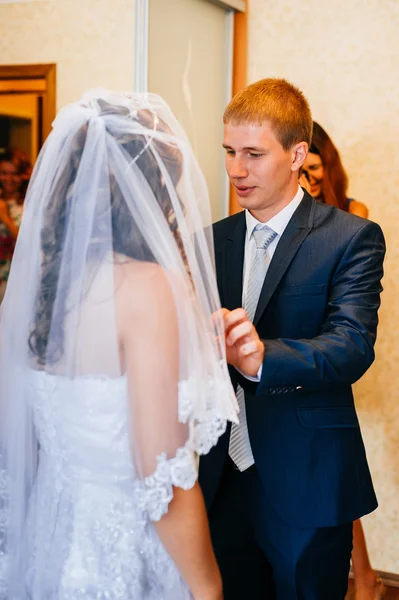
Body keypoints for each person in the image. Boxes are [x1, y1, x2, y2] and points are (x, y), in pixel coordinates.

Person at [0, 89, 242, 599]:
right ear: (152, 192)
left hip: (55, 531)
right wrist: (207, 585)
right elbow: (163, 478)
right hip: (125, 544)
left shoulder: (49, 282)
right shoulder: (149, 286)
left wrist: (195, 345)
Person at [199, 78, 386, 600]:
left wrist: (262, 358)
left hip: (308, 474)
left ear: (298, 153)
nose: (237, 169)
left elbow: (351, 344)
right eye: (230, 152)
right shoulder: (208, 241)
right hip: (220, 476)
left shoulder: (350, 236)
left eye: (254, 154)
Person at [304, 122, 385, 600]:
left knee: (337, 473)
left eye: (315, 167)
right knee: (328, 474)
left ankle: (365, 578)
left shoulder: (353, 214)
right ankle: (364, 578)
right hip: (296, 350)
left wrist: (319, 193)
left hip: (333, 352)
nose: (308, 176)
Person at [302, 121, 368, 217]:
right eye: (299, 171)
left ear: (329, 167)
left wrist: (306, 205)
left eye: (314, 168)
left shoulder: (354, 210)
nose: (306, 178)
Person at [0, 150, 27, 301]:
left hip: (16, 280)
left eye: (15, 173)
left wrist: (5, 217)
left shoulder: (29, 205)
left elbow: (28, 246)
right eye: (4, 173)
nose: (8, 179)